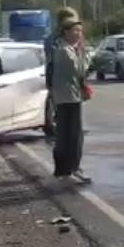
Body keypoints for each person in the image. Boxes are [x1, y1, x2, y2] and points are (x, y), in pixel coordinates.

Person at [50, 13, 91, 184]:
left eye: (80, 31)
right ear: (66, 32)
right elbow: (80, 70)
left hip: (64, 97)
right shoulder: (65, 52)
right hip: (69, 98)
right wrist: (87, 54)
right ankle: (73, 168)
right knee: (73, 136)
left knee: (64, 135)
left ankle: (63, 169)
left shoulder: (63, 49)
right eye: (75, 30)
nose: (79, 34)